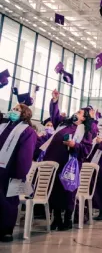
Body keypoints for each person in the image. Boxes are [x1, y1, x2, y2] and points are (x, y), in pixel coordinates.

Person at [44, 89, 93, 231]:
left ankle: (67, 219)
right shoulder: (63, 124)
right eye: (77, 111)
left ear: (83, 118)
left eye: (79, 113)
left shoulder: (85, 131)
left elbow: (86, 149)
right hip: (55, 161)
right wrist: (54, 101)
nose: (76, 113)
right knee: (54, 190)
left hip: (70, 164)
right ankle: (56, 218)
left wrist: (74, 145)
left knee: (67, 192)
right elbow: (54, 115)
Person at [0, 103, 37, 242]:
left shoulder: (27, 131)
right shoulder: (3, 126)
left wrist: (20, 174)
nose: (13, 111)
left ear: (24, 114)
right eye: (13, 109)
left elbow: (25, 155)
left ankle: (6, 230)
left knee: (8, 201)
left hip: (11, 171)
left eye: (17, 109)